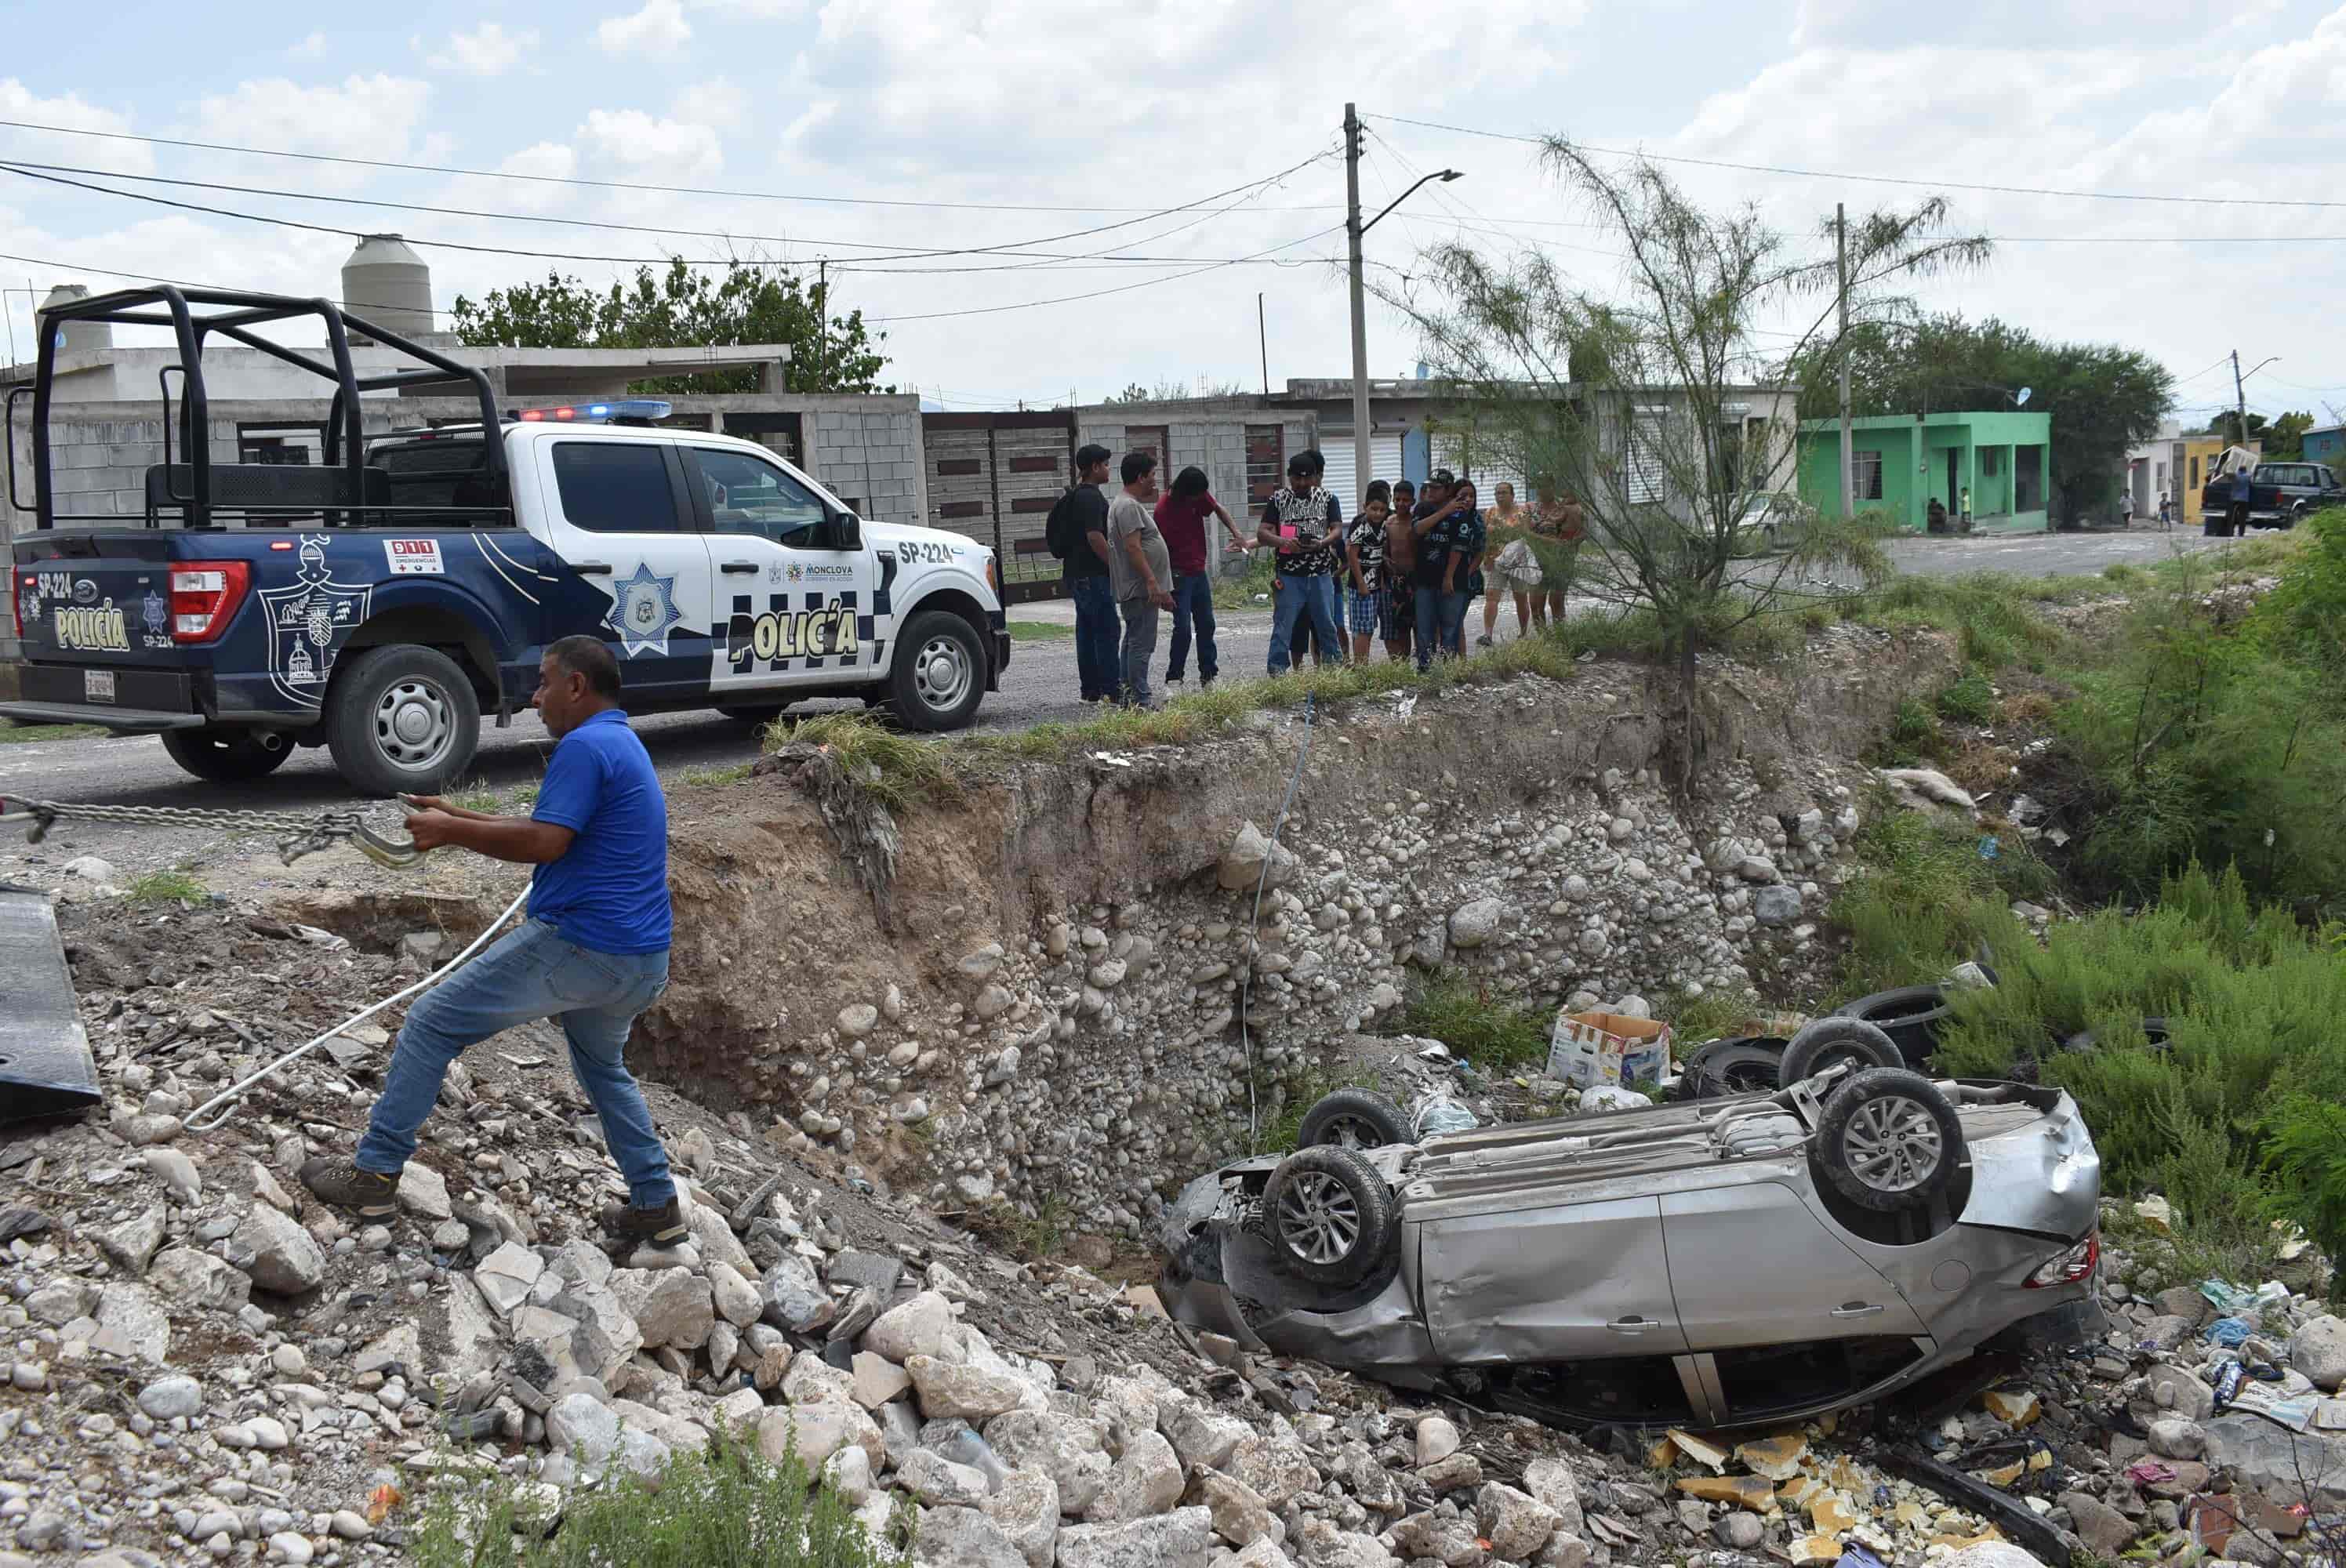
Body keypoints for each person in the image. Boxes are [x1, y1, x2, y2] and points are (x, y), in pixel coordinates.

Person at [300, 636, 684, 1246]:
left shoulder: (585, 746)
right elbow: (549, 829)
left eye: (543, 683)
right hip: (640, 959)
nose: (535, 699)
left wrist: (451, 832)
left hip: (584, 946)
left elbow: (544, 844)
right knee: (604, 1070)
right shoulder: (619, 741)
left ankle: (373, 1176)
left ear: (577, 686)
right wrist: (459, 816)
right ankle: (657, 1207)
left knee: (429, 1022)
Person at [1156, 465, 1248, 689]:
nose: (1200, 500)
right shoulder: (1163, 511)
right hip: (1178, 575)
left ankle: (1209, 676)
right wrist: (1162, 587)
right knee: (1183, 628)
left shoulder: (1197, 495)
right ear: (1184, 492)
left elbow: (1218, 509)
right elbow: (1157, 551)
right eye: (1196, 496)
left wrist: (1237, 535)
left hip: (1198, 572)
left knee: (1207, 624)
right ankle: (1174, 679)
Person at [1259, 451, 1344, 674]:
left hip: (1320, 574)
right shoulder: (1277, 500)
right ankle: (1277, 672)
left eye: (1307, 478)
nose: (1302, 483)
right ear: (1289, 476)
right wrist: (1285, 542)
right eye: (1297, 478)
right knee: (1283, 627)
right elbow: (1262, 533)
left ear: (1316, 477)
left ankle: (1334, 670)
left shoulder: (1328, 498)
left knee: (1326, 625)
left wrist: (1322, 543)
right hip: (1289, 576)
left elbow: (1337, 529)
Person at [1053, 445, 1120, 704]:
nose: (1108, 469)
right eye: (1105, 464)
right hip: (1092, 576)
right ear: (1094, 467)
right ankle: (1112, 692)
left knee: (1088, 632)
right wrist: (1116, 567)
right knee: (1107, 630)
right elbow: (1095, 537)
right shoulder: (1091, 497)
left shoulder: (1075, 496)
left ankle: (1090, 691)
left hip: (1076, 575)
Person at [1107, 451, 1175, 706]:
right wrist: (1152, 582)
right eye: (1152, 475)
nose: (1155, 480)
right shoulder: (1128, 506)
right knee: (1141, 645)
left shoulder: (1125, 505)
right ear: (1140, 477)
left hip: (1139, 588)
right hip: (1140, 589)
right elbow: (1133, 547)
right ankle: (1140, 700)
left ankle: (1129, 698)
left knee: (1133, 640)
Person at [1410, 470, 1473, 670]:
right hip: (1425, 580)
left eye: (1436, 488)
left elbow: (1458, 548)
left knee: (1449, 628)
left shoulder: (1462, 514)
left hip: (1452, 580)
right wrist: (1444, 512)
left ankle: (1447, 671)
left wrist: (1448, 577)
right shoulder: (1423, 508)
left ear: (1448, 491)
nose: (1430, 491)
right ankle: (1425, 669)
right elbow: (1418, 529)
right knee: (1424, 629)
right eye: (1429, 487)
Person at [1476, 481, 1531, 646]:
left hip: (1517, 561)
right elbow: (1486, 537)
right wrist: (1486, 557)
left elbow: (1528, 535)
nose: (1500, 496)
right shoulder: (1491, 512)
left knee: (1520, 597)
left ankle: (1523, 632)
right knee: (1492, 596)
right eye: (1498, 493)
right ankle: (1488, 634)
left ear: (1512, 495)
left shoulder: (1522, 512)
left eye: (1504, 492)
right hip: (1496, 560)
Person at [1345, 485, 1392, 665]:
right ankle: (1361, 667)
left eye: (1382, 510)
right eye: (1374, 509)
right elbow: (1352, 555)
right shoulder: (1360, 525)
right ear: (1365, 507)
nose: (1378, 514)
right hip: (1361, 587)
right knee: (1364, 629)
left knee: (1374, 628)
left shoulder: (1386, 523)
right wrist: (1361, 584)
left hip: (1378, 585)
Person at [1527, 481, 1582, 631]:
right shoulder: (1530, 508)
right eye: (1540, 485)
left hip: (1562, 560)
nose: (1544, 488)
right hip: (1537, 559)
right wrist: (1550, 541)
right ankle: (1544, 639)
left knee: (1556, 601)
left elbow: (1582, 531)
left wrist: (1571, 545)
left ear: (1554, 486)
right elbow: (1525, 533)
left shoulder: (1567, 507)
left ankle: (1560, 636)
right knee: (1536, 604)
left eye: (1547, 484)